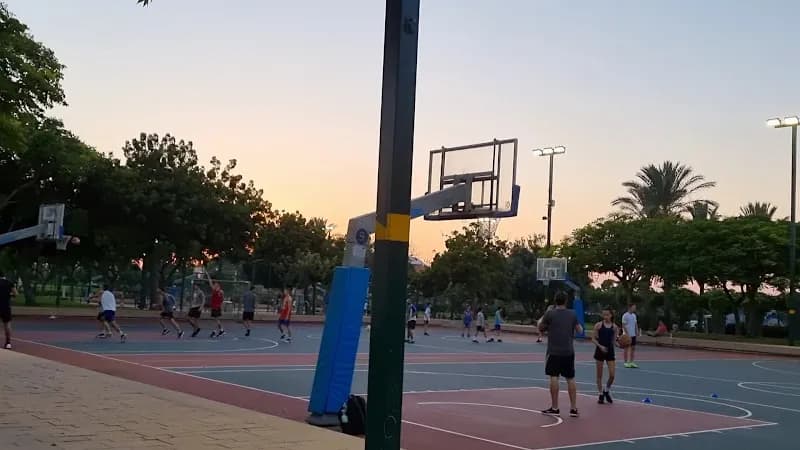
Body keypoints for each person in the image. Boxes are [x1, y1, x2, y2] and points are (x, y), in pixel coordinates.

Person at [538, 291, 583, 418]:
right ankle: (573, 408)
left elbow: (540, 327)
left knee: (553, 377)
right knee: (570, 378)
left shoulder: (550, 314)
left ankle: (555, 407)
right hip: (568, 351)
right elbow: (580, 330)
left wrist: (544, 316)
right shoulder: (572, 314)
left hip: (554, 351)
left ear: (555, 301)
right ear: (566, 301)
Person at [592, 308, 619, 405]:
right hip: (600, 350)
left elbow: (614, 341)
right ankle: (600, 394)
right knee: (599, 375)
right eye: (604, 315)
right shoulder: (598, 325)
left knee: (612, 375)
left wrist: (621, 345)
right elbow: (593, 339)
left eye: (607, 315)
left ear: (611, 315)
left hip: (610, 352)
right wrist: (600, 346)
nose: (605, 317)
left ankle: (606, 390)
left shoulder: (615, 327)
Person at [0, 270, 16, 350]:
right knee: (7, 324)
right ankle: (8, 343)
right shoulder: (9, 283)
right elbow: (16, 294)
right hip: (6, 306)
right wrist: (9, 294)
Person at [621, 304, 640, 368]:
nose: (634, 309)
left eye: (635, 307)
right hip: (627, 335)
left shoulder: (634, 315)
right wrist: (626, 334)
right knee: (626, 348)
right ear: (630, 307)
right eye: (633, 307)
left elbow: (635, 324)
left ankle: (631, 362)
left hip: (633, 335)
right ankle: (626, 362)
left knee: (633, 348)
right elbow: (623, 325)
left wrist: (637, 331)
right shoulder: (625, 315)